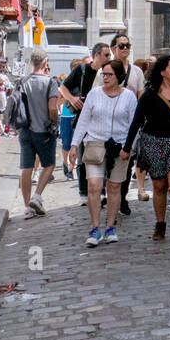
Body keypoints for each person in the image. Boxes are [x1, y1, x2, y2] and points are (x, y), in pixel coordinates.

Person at [123, 55, 170, 242]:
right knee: (159, 186)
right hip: (154, 143)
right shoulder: (150, 94)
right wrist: (127, 148)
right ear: (162, 71)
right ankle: (160, 224)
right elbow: (136, 122)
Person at [69, 58, 138, 247]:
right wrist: (74, 145)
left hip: (120, 146)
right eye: (103, 74)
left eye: (109, 74)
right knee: (94, 185)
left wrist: (130, 148)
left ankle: (110, 227)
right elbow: (83, 120)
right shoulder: (94, 94)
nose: (105, 78)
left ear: (119, 76)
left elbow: (135, 125)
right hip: (95, 143)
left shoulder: (129, 97)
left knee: (114, 187)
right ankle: (95, 227)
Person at [95, 32, 145, 216]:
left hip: (128, 125)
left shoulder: (137, 72)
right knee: (107, 162)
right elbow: (96, 94)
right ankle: (110, 193)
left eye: (127, 45)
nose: (125, 49)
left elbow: (141, 97)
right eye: (121, 46)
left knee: (127, 160)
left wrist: (140, 121)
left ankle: (121, 197)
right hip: (106, 125)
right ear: (114, 49)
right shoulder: (104, 71)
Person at [59, 43, 112, 203]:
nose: (109, 58)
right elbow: (63, 87)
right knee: (82, 157)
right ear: (97, 55)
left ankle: (101, 192)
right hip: (83, 118)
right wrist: (72, 99)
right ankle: (83, 193)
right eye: (106, 55)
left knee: (102, 156)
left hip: (103, 120)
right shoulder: (82, 70)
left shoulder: (109, 72)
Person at [19, 54, 59, 218]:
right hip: (43, 130)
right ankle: (37, 196)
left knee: (26, 168)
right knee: (49, 165)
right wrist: (54, 122)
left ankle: (27, 206)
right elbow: (52, 108)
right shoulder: (50, 82)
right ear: (45, 63)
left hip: (25, 130)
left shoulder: (23, 81)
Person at [132, 58, 152, 200]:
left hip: (142, 125)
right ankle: (140, 188)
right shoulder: (145, 87)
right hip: (138, 123)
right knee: (139, 156)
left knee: (141, 156)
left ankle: (140, 188)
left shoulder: (150, 86)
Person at [59, 61, 80, 179]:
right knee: (66, 144)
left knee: (75, 144)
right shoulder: (65, 83)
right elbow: (59, 100)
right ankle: (65, 162)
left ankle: (71, 170)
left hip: (77, 117)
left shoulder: (83, 83)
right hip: (66, 116)